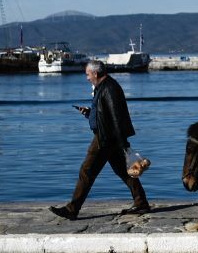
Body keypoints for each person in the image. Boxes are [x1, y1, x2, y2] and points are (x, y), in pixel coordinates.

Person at [49, 60, 150, 220]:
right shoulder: (105, 87)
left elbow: (116, 118)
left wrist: (123, 143)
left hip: (105, 138)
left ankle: (72, 209)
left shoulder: (109, 88)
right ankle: (141, 202)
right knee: (123, 171)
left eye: (88, 75)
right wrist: (90, 113)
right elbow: (106, 114)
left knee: (86, 171)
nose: (87, 78)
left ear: (95, 73)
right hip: (110, 137)